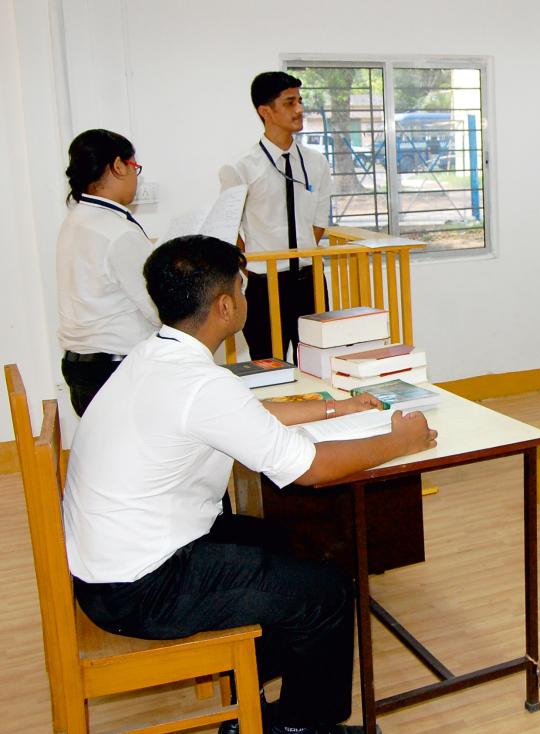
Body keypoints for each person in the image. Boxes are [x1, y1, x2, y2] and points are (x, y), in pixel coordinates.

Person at [63, 235, 436, 733]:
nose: (246, 296)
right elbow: (311, 468)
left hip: (118, 564)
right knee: (325, 595)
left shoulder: (156, 357)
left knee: (292, 546)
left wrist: (335, 406)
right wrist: (400, 441)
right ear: (224, 305)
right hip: (141, 588)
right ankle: (301, 725)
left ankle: (249, 701)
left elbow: (241, 411)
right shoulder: (199, 383)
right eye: (242, 287)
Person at [219, 71, 332, 362]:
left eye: (301, 101)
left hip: (310, 282)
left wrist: (299, 255)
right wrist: (254, 263)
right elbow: (230, 230)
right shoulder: (240, 168)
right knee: (268, 368)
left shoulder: (316, 162)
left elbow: (319, 222)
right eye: (290, 102)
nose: (300, 109)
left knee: (319, 364)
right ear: (265, 111)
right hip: (264, 284)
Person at [57, 129, 160, 416]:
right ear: (117, 166)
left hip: (81, 367)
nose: (136, 177)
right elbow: (156, 307)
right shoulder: (117, 232)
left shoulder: (76, 220)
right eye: (134, 168)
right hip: (116, 369)